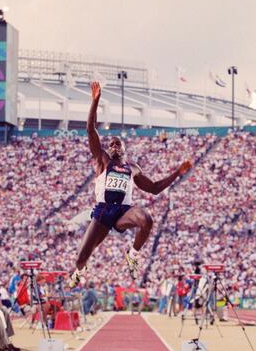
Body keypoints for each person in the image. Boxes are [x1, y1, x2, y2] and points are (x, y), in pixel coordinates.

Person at [69, 81, 192, 288]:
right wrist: (95, 101)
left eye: (118, 144)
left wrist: (177, 173)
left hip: (123, 212)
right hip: (102, 212)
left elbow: (154, 188)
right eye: (111, 144)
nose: (114, 146)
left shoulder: (132, 168)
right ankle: (80, 271)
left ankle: (133, 255)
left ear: (124, 149)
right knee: (81, 258)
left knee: (147, 219)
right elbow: (90, 129)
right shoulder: (102, 160)